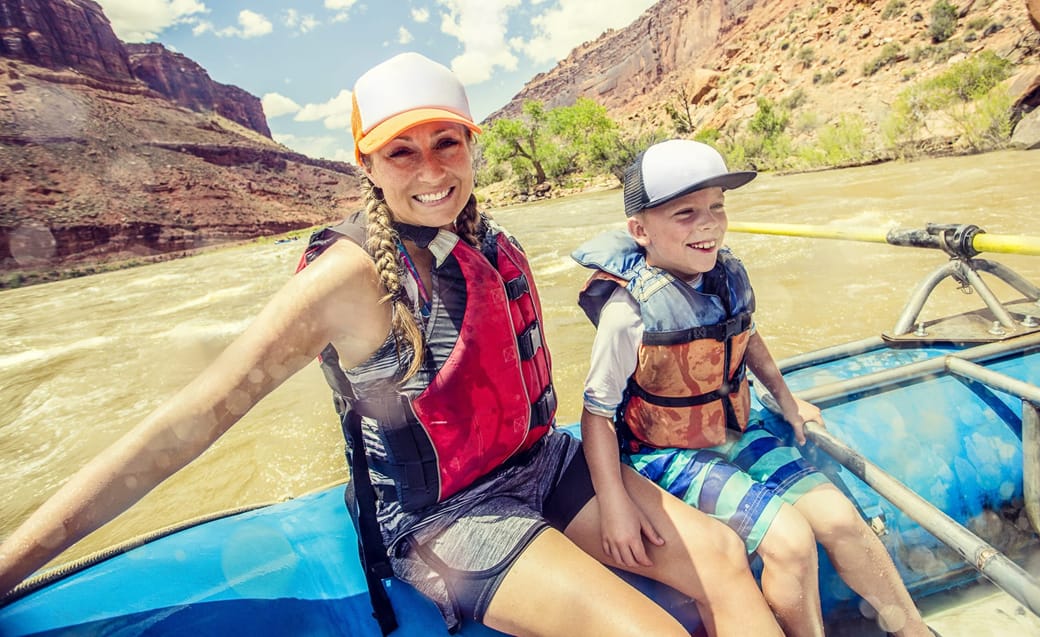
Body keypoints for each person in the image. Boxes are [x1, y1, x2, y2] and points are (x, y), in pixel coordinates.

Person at [0, 54, 782, 637]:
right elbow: (190, 420)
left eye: (449, 143)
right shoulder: (346, 278)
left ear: (474, 147)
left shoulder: (479, 233)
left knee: (717, 554)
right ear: (367, 163)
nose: (433, 170)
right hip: (451, 516)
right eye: (403, 151)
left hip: (542, 462)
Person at [573, 139, 936, 637]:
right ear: (640, 230)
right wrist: (614, 501)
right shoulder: (626, 313)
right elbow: (595, 414)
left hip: (734, 429)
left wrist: (787, 401)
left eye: (717, 208)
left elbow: (746, 336)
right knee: (790, 542)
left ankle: (913, 629)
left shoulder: (724, 273)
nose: (708, 225)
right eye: (685, 213)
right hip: (667, 452)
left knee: (840, 521)